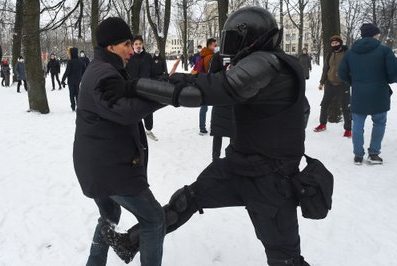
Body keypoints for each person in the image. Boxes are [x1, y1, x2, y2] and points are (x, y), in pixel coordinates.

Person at [99, 7, 311, 266]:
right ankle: (130, 241)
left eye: (233, 38)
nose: (228, 46)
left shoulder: (268, 62)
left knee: (285, 259)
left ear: (251, 37)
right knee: (187, 199)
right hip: (240, 165)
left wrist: (134, 86)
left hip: (271, 180)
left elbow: (205, 91)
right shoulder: (267, 63)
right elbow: (301, 110)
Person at [73, 17, 165, 266]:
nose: (131, 51)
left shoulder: (104, 69)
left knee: (110, 213)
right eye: (126, 44)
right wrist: (166, 93)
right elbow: (128, 111)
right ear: (111, 47)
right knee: (154, 219)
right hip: (110, 169)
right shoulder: (103, 73)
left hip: (98, 165)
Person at [339, 23, 397, 165]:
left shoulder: (351, 52)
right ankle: (374, 154)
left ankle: (358, 155)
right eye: (377, 33)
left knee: (358, 125)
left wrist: (354, 82)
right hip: (379, 94)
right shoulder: (385, 50)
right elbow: (394, 73)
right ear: (374, 34)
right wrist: (386, 80)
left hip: (359, 94)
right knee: (379, 123)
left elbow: (341, 73)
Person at [314, 35, 351, 137]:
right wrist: (322, 82)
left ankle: (348, 129)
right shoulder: (329, 54)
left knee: (345, 107)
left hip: (343, 84)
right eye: (332, 43)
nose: (334, 45)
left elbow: (352, 68)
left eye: (336, 43)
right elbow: (326, 69)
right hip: (330, 84)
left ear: (340, 43)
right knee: (324, 105)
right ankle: (322, 124)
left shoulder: (347, 53)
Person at [126, 35, 158, 141]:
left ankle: (148, 130)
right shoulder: (129, 56)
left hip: (147, 88)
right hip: (133, 88)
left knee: (148, 110)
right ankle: (136, 132)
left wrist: (153, 83)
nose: (138, 46)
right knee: (134, 110)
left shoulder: (148, 57)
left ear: (142, 45)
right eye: (136, 44)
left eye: (140, 44)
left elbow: (153, 72)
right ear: (133, 45)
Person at [209, 51, 235, 161]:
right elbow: (211, 76)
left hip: (231, 98)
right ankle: (216, 158)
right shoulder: (219, 55)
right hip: (226, 97)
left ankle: (231, 157)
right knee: (220, 132)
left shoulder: (242, 52)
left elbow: (212, 76)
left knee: (233, 132)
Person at [196, 38, 217, 135]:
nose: (215, 47)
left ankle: (202, 127)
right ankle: (214, 126)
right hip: (209, 84)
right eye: (214, 45)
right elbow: (213, 71)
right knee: (216, 106)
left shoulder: (203, 54)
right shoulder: (211, 57)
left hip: (202, 83)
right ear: (209, 46)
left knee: (204, 107)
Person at [61, 47, 86, 111]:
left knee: (71, 94)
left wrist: (63, 80)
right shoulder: (81, 61)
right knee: (77, 93)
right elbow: (84, 70)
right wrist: (82, 76)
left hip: (71, 81)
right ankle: (78, 105)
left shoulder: (70, 62)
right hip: (78, 80)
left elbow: (67, 72)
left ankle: (73, 106)